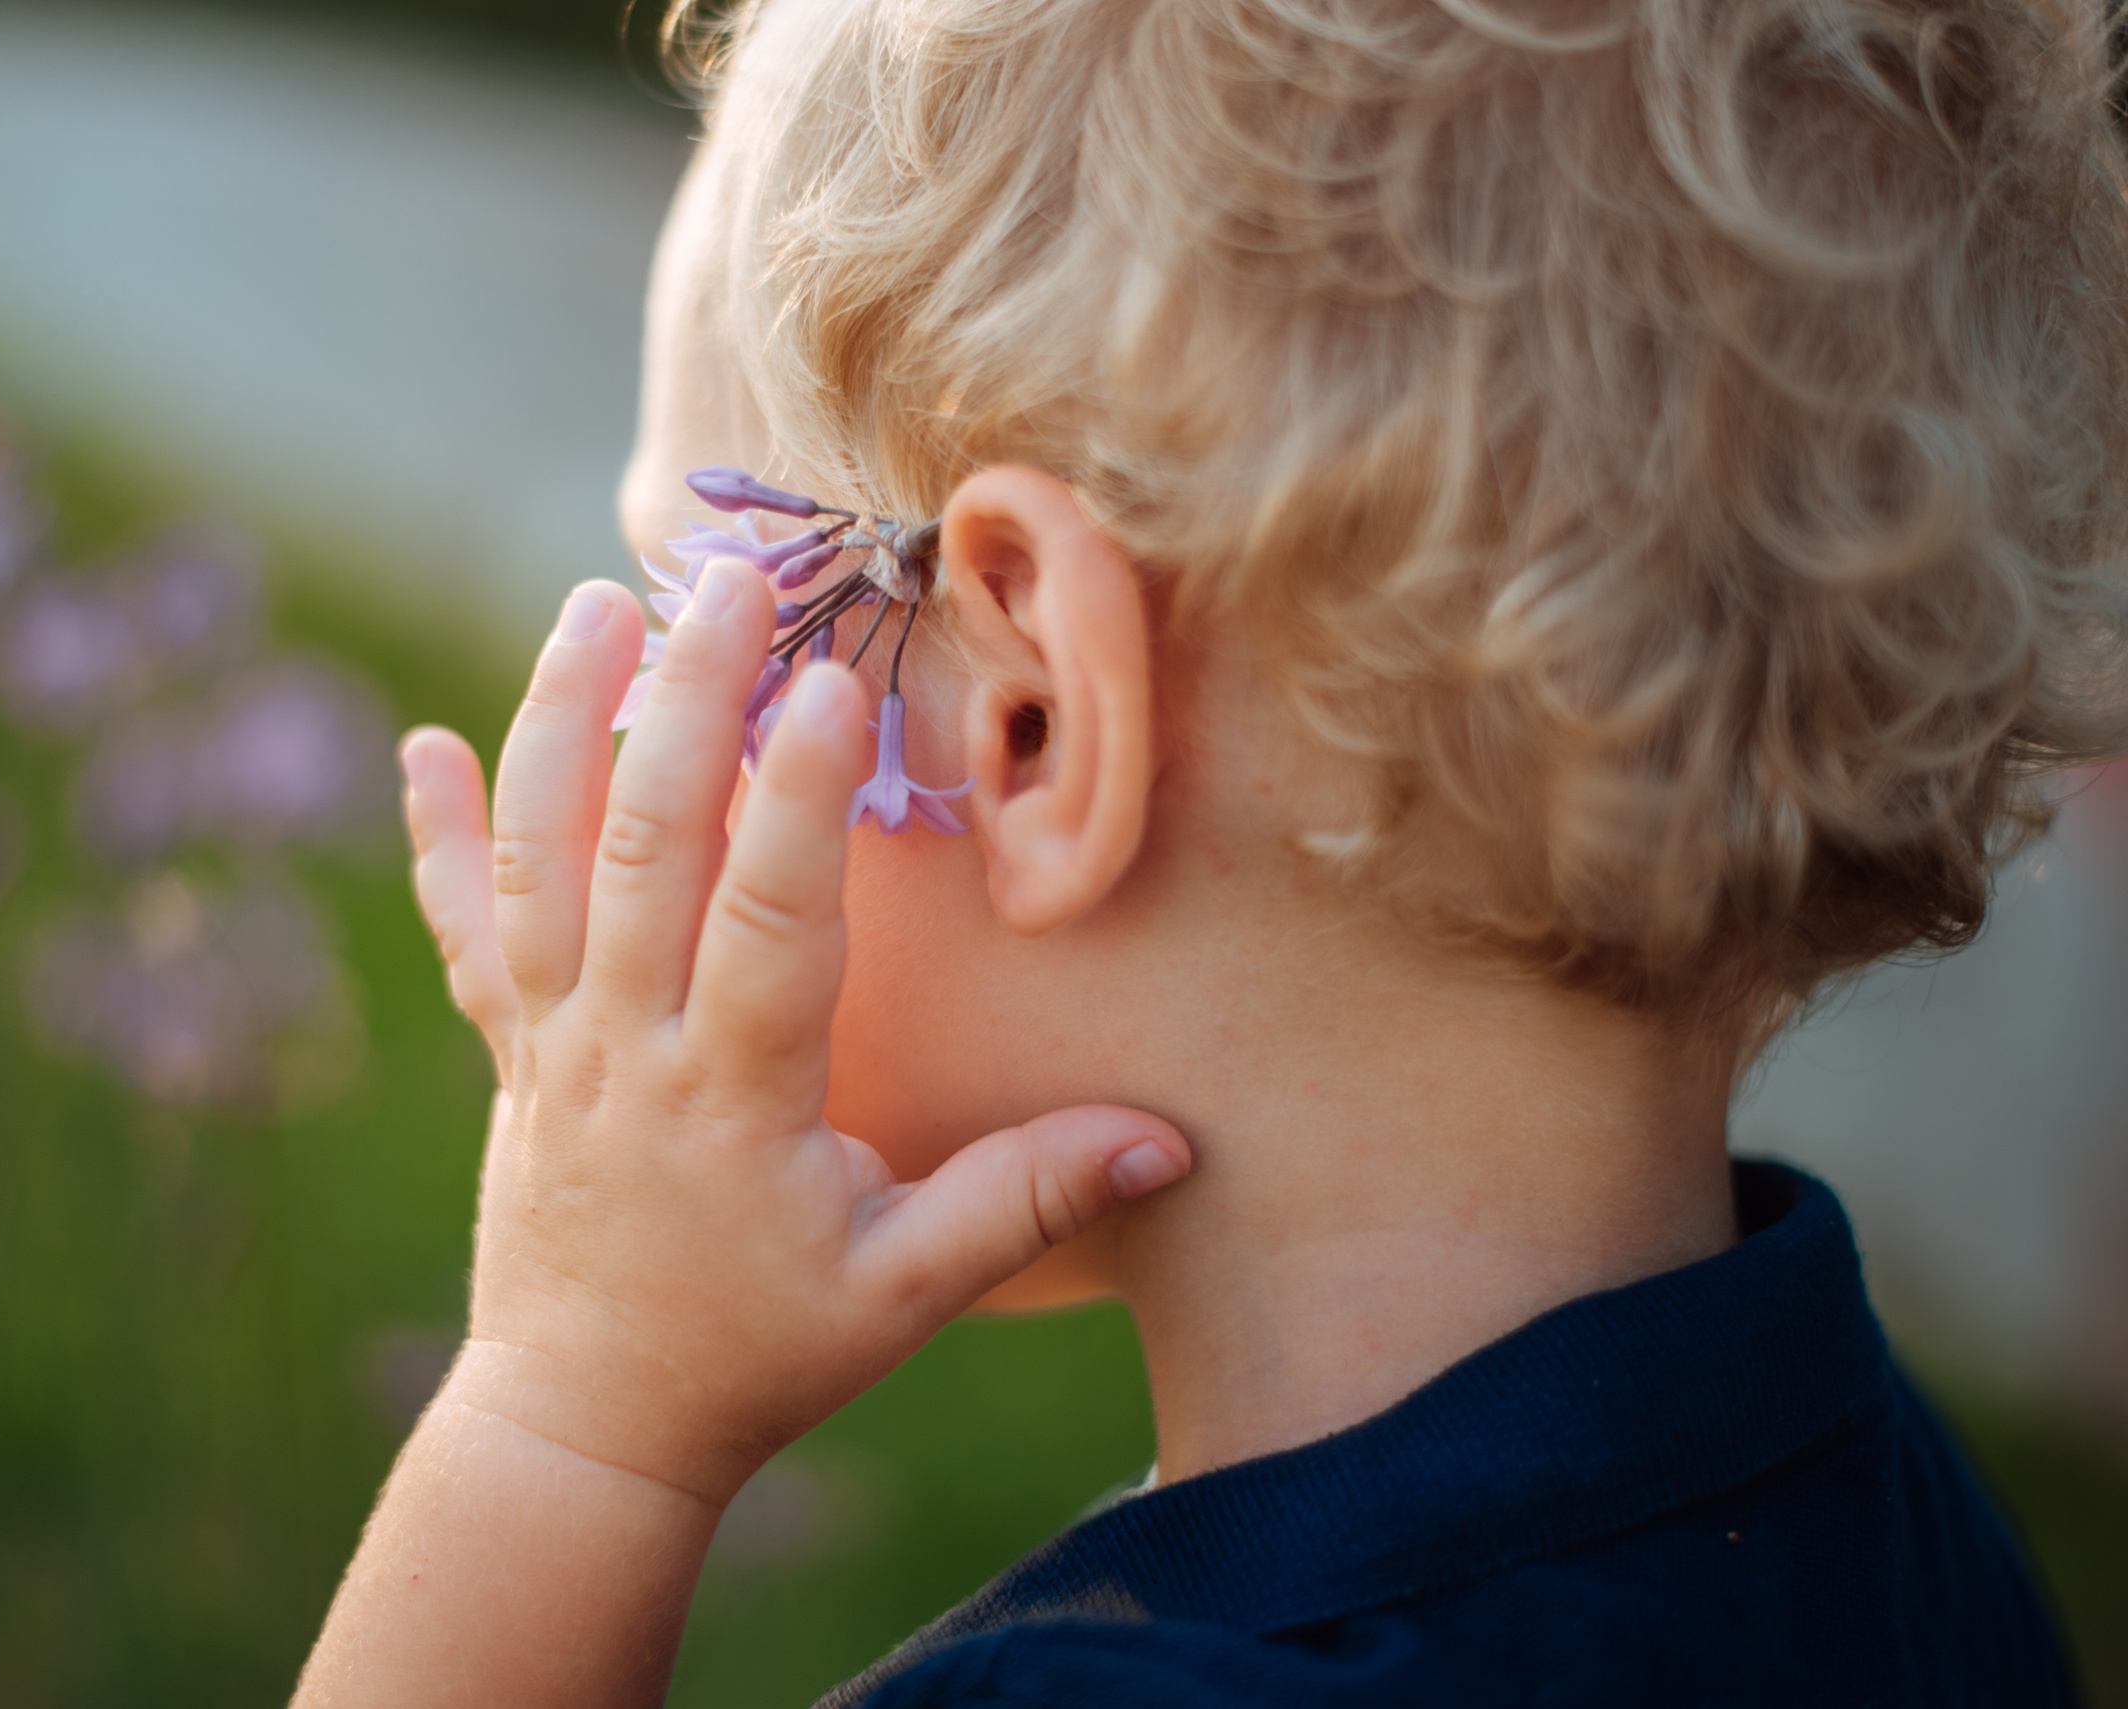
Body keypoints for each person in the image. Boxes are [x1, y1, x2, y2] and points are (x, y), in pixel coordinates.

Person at [293, 0, 2128, 1700]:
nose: (644, 739)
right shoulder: (1901, 1521)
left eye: (700, 618)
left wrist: (572, 1414)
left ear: (1036, 722)